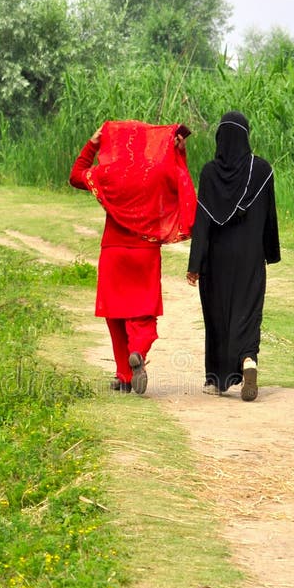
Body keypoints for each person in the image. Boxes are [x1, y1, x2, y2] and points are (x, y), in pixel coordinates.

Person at [70, 120, 195, 395]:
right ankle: (137, 351)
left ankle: (124, 375)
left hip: (114, 252)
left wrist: (92, 144)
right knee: (144, 311)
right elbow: (180, 183)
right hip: (145, 251)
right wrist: (179, 153)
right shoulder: (155, 173)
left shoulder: (108, 174)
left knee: (115, 314)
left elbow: (76, 175)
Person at [186, 111, 280, 401]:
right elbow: (269, 217)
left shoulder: (209, 173)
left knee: (217, 316)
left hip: (217, 259)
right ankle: (248, 360)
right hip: (250, 257)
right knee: (248, 311)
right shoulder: (262, 170)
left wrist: (195, 264)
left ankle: (216, 379)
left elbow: (201, 221)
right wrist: (270, 252)